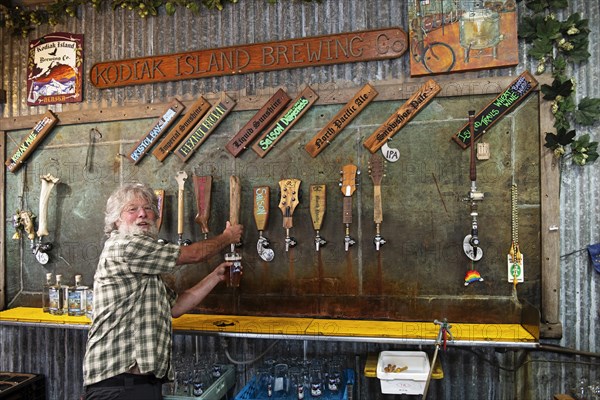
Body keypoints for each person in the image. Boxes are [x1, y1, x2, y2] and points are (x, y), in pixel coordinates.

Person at [83, 182, 243, 400]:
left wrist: (215, 276)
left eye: (149, 208)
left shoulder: (146, 270)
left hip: (139, 383)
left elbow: (176, 307)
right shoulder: (125, 246)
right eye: (132, 209)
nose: (143, 214)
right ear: (116, 220)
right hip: (118, 384)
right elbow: (193, 255)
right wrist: (228, 237)